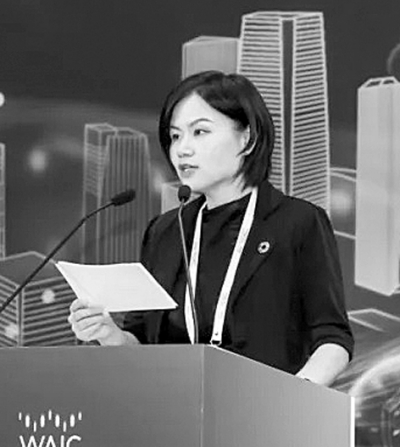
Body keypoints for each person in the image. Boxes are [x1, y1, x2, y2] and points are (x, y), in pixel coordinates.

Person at [69, 71, 354, 386]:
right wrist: (109, 334)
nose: (182, 149)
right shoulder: (165, 231)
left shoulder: (297, 222)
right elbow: (142, 342)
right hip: (174, 405)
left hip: (263, 409)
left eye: (200, 132)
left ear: (247, 138)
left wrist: (294, 396)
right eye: (175, 136)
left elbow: (332, 339)